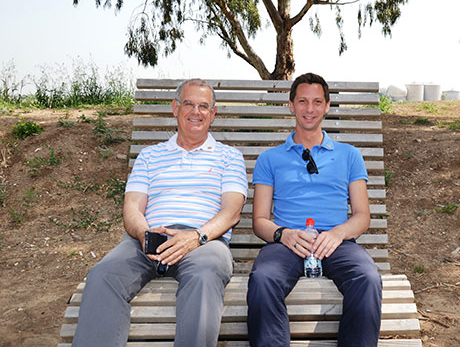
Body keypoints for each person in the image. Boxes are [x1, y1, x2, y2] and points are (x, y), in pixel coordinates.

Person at [73, 78, 248, 347]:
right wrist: (144, 233)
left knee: (205, 275)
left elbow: (232, 212)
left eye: (203, 106)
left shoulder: (229, 157)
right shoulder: (149, 156)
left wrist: (197, 236)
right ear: (175, 108)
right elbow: (131, 207)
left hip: (204, 243)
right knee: (102, 276)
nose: (195, 111)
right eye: (188, 104)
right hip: (148, 239)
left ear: (213, 113)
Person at [246, 73, 382, 347]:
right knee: (263, 279)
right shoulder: (269, 158)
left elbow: (362, 215)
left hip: (337, 242)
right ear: (291, 105)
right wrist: (283, 234)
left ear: (327, 106)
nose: (310, 109)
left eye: (317, 102)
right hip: (288, 242)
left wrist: (337, 234)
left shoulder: (349, 155)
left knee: (367, 278)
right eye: (303, 101)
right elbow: (259, 220)